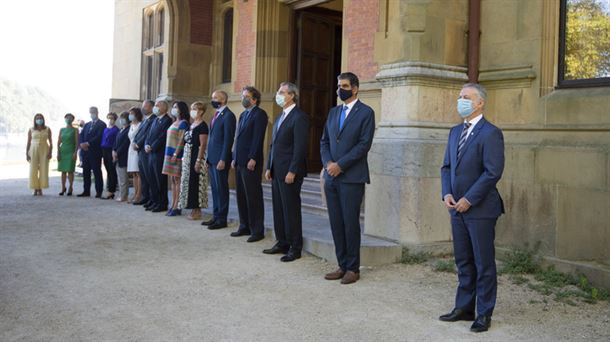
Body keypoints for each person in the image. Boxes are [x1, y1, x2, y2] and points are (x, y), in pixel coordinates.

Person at [439, 83, 505, 333]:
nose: (460, 101)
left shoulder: (491, 133)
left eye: (466, 97)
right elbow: (446, 167)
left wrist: (469, 199)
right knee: (463, 260)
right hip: (456, 208)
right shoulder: (455, 132)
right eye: (459, 97)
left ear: (480, 103)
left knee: (483, 262)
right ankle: (464, 308)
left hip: (480, 209)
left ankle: (484, 313)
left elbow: (492, 172)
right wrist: (447, 193)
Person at [320, 72, 375, 285]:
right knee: (336, 222)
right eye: (338, 85)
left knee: (350, 223)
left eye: (344, 85)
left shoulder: (366, 113)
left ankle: (353, 268)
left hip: (352, 177)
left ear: (355, 88)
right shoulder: (333, 112)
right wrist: (328, 165)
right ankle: (341, 264)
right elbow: (324, 141)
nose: (339, 89)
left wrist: (340, 165)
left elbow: (363, 145)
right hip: (332, 177)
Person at [262, 82, 309, 262]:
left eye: (282, 92)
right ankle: (282, 242)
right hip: (276, 170)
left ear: (292, 95)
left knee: (291, 210)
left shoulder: (299, 117)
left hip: (290, 172)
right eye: (278, 92)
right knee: (279, 209)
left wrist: (293, 170)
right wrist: (269, 167)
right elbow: (274, 145)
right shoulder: (280, 116)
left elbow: (300, 148)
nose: (278, 95)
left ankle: (295, 247)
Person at [230, 86, 268, 243]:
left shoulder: (260, 114)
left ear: (254, 99)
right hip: (239, 160)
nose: (243, 98)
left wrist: (253, 157)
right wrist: (234, 157)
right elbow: (238, 138)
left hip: (251, 161)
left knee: (253, 196)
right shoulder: (243, 115)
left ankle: (257, 230)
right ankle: (244, 225)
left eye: (246, 96)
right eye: (242, 95)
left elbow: (257, 138)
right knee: (241, 195)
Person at [202, 90, 236, 229]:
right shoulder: (216, 115)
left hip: (221, 159)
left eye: (215, 97)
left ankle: (222, 219)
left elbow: (228, 140)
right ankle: (215, 216)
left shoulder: (228, 116)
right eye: (212, 97)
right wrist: (207, 158)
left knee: (221, 189)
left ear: (223, 99)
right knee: (215, 189)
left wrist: (223, 159)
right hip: (212, 158)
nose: (213, 99)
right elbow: (212, 139)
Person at [178, 101, 209, 220]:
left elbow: (202, 145)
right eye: (192, 108)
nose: (192, 111)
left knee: (196, 182)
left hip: (196, 156)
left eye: (195, 109)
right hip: (187, 157)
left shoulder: (202, 126)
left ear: (201, 111)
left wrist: (198, 161)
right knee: (189, 183)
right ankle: (191, 208)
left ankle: (197, 210)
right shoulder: (192, 124)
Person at [144, 100, 173, 212]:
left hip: (159, 153)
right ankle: (155, 201)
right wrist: (146, 144)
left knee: (160, 179)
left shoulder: (167, 120)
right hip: (151, 153)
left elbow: (163, 136)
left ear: (164, 108)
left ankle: (162, 203)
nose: (155, 107)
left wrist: (153, 146)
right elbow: (148, 134)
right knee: (152, 179)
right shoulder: (155, 120)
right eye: (155, 105)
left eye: (157, 106)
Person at [163, 101, 189, 216]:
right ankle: (173, 204)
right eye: (173, 107)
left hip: (176, 155)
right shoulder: (174, 122)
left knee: (177, 180)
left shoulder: (183, 123)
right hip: (168, 154)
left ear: (181, 109)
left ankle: (177, 206)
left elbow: (181, 141)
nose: (173, 109)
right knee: (172, 180)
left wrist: (175, 154)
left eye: (176, 107)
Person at [78, 106, 106, 198]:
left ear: (97, 112)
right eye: (90, 112)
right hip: (85, 152)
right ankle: (86, 191)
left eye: (93, 112)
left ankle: (99, 191)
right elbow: (81, 135)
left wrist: (88, 143)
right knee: (86, 172)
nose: (92, 114)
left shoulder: (102, 124)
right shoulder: (87, 124)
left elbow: (99, 136)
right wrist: (82, 144)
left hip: (95, 152)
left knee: (97, 172)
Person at [132, 100, 155, 207]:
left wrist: (138, 144)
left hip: (146, 152)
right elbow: (138, 133)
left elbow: (147, 135)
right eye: (143, 106)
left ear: (151, 107)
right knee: (144, 176)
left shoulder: (153, 119)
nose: (143, 108)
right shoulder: (145, 120)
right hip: (140, 152)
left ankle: (150, 198)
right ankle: (145, 197)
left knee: (149, 176)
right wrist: (135, 142)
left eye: (145, 106)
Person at [26, 113, 52, 196]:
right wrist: (27, 153)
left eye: (41, 118)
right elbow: (28, 142)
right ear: (35, 120)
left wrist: (50, 152)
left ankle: (40, 188)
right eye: (37, 118)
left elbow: (51, 142)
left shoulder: (47, 129)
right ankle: (35, 188)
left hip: (44, 149)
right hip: (33, 149)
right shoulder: (31, 129)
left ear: (43, 119)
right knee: (33, 168)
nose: (39, 120)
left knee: (43, 168)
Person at [57, 113, 78, 196]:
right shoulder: (62, 129)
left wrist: (75, 152)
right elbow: (58, 142)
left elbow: (77, 142)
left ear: (73, 120)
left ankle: (70, 187)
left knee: (70, 171)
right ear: (64, 119)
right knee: (63, 171)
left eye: (70, 118)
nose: (68, 119)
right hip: (63, 151)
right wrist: (58, 152)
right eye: (67, 118)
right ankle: (63, 188)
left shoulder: (75, 130)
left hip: (71, 151)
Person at [113, 112, 131, 202]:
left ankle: (124, 195)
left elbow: (125, 144)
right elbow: (115, 142)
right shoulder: (121, 129)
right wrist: (113, 150)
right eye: (121, 118)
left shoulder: (128, 129)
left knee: (123, 178)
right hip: (117, 156)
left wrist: (117, 152)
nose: (121, 120)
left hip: (123, 156)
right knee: (119, 178)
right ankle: (121, 194)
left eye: (123, 118)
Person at [101, 112, 119, 199]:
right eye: (108, 118)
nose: (110, 120)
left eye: (111, 118)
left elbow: (116, 142)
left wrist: (114, 151)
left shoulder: (116, 130)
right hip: (104, 150)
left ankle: (111, 190)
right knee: (108, 170)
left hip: (111, 150)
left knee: (112, 171)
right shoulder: (105, 129)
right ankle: (109, 189)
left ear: (115, 119)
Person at [127, 107, 143, 203]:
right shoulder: (131, 124)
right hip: (131, 149)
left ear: (137, 114)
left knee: (138, 173)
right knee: (133, 173)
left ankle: (139, 195)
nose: (130, 115)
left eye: (132, 113)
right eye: (130, 113)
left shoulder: (141, 124)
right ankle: (135, 193)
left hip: (137, 149)